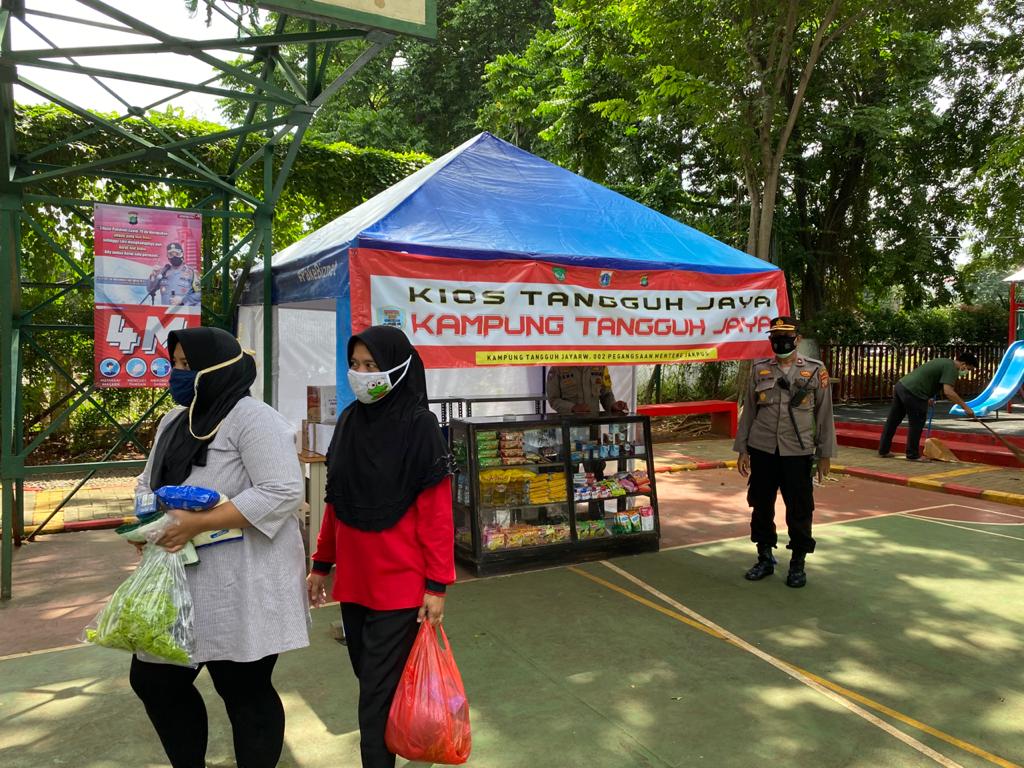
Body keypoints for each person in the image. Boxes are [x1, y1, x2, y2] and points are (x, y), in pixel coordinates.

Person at [128, 327, 309, 768]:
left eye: (189, 365)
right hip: (179, 577)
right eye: (177, 364)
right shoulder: (174, 420)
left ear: (219, 368)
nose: (179, 374)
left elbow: (283, 491)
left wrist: (198, 523)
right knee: (154, 679)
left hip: (245, 579)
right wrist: (148, 521)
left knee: (243, 689)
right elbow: (145, 480)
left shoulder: (253, 418)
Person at [306, 325, 455, 768]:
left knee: (373, 697)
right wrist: (321, 563)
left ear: (397, 367)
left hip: (400, 586)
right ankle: (402, 742)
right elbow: (336, 498)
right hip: (354, 583)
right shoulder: (350, 420)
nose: (361, 374)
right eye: (355, 365)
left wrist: (437, 585)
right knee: (374, 685)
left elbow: (436, 514)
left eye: (371, 366)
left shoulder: (419, 426)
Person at [733, 316, 837, 589]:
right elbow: (749, 413)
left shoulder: (815, 370)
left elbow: (824, 414)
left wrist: (825, 453)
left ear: (797, 340)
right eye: (775, 336)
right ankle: (764, 558)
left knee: (800, 508)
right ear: (770, 340)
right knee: (761, 504)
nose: (781, 341)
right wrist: (742, 448)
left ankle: (798, 563)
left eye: (786, 337)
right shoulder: (759, 369)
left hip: (798, 451)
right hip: (763, 448)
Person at [878, 352, 979, 460]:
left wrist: (927, 397)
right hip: (914, 392)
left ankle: (883, 450)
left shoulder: (943, 361)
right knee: (917, 423)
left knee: (893, 421)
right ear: (963, 364)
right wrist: (966, 407)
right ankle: (913, 455)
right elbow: (948, 391)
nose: (966, 372)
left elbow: (927, 378)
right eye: (968, 369)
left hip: (902, 386)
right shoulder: (952, 368)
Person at [546, 365, 628, 415]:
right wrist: (573, 408)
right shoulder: (558, 367)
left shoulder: (600, 365)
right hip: (570, 427)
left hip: (594, 427)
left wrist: (613, 405)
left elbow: (606, 394)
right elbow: (554, 399)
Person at [145, 242, 200, 306]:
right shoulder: (163, 272)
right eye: (171, 254)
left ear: (182, 254)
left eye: (177, 254)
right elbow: (150, 289)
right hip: (165, 313)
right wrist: (153, 276)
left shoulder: (192, 273)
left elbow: (199, 294)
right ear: (167, 257)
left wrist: (183, 300)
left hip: (185, 313)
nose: (174, 257)